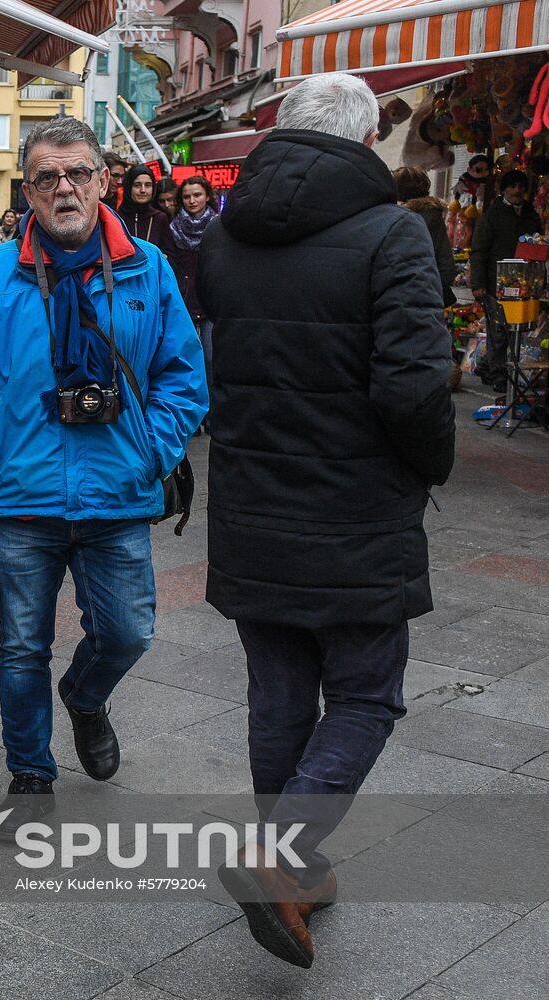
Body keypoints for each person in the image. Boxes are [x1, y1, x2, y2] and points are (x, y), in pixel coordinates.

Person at [197, 73, 455, 969]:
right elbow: (415, 386)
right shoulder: (392, 236)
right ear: (364, 141)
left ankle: (297, 876)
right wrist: (431, 465)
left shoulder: (227, 237)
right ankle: (281, 860)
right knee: (365, 692)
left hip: (253, 504)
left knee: (278, 696)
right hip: (353, 509)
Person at [0, 117, 207, 839]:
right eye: (48, 177)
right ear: (28, 190)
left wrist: (152, 449)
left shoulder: (147, 265)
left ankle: (86, 695)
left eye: (78, 173)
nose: (65, 188)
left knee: (129, 633)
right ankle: (31, 771)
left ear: (103, 181)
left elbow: (184, 377)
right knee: (22, 645)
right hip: (24, 495)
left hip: (118, 490)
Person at [468, 168, 540, 397]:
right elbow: (479, 250)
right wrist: (477, 283)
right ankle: (499, 375)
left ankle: (504, 371)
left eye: (520, 187)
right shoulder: (493, 214)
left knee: (519, 332)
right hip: (495, 281)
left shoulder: (530, 213)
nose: (517, 190)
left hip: (525, 283)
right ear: (504, 189)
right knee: (498, 331)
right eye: (513, 186)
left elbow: (539, 243)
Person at [167, 175, 218, 388]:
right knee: (184, 358)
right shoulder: (173, 227)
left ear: (207, 196)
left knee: (210, 357)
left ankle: (213, 411)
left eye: (197, 195)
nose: (192, 200)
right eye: (187, 196)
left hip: (211, 302)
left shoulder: (218, 227)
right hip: (183, 300)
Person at [393, 166, 458, 307]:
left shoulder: (400, 217)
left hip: (410, 290)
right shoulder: (432, 214)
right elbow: (444, 258)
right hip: (429, 287)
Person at [117, 164, 174, 258]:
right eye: (137, 185)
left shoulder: (159, 218)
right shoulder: (117, 217)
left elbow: (171, 256)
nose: (143, 190)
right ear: (128, 187)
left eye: (148, 185)